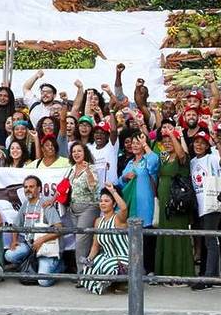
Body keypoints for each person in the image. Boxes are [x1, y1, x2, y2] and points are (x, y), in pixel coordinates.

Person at [4, 175, 63, 286]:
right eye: (26, 187)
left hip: (45, 247)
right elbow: (16, 225)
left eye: (31, 186)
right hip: (29, 245)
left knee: (44, 282)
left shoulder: (46, 204)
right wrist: (14, 240)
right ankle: (29, 265)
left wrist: (41, 240)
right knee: (9, 255)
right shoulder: (25, 204)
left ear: (39, 188)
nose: (28, 189)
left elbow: (59, 229)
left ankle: (60, 265)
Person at [154, 126, 194, 281]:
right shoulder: (165, 158)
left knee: (178, 235)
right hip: (164, 201)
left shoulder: (181, 157)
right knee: (165, 234)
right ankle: (166, 273)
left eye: (170, 141)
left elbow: (182, 154)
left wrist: (172, 133)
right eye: (165, 141)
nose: (167, 143)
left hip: (177, 201)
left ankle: (180, 273)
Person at [115, 130, 158, 273]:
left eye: (137, 142)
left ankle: (149, 270)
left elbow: (154, 161)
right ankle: (135, 270)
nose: (134, 145)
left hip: (146, 206)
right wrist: (125, 177)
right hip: (132, 207)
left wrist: (145, 144)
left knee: (147, 240)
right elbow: (120, 182)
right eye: (133, 143)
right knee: (133, 240)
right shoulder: (129, 163)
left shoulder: (147, 160)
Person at [188, 130, 221, 290]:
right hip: (200, 205)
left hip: (211, 203)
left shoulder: (211, 158)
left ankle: (210, 278)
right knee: (206, 241)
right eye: (196, 142)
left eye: (202, 143)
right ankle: (213, 275)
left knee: (210, 241)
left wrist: (217, 143)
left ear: (207, 146)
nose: (199, 145)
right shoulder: (192, 162)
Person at [80, 182, 129, 295]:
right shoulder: (98, 221)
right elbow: (95, 245)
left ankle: (122, 282)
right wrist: (89, 259)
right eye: (101, 201)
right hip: (107, 257)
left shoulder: (118, 219)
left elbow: (124, 208)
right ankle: (110, 283)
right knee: (88, 269)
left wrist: (113, 191)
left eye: (107, 201)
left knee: (106, 265)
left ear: (114, 204)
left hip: (125, 258)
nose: (103, 203)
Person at [66, 142, 100, 273]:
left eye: (79, 151)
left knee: (81, 241)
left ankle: (81, 275)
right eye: (74, 151)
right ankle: (88, 271)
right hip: (73, 209)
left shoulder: (91, 168)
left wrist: (88, 172)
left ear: (85, 153)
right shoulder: (72, 168)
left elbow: (93, 186)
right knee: (82, 241)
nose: (76, 154)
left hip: (89, 208)